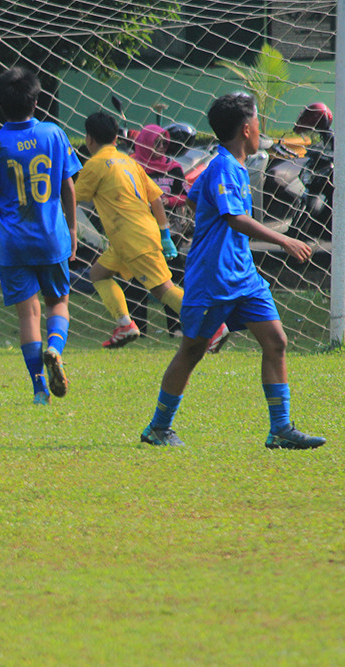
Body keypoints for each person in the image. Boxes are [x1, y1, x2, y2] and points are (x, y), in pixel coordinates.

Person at [140, 93, 325, 450]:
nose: (261, 128)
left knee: (276, 341)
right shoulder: (224, 166)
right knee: (192, 350)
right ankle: (158, 428)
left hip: (244, 276)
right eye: (257, 121)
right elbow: (233, 218)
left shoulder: (227, 165)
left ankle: (281, 429)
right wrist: (285, 241)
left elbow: (196, 198)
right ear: (245, 128)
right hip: (213, 278)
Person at [0, 66, 80, 405]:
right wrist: (73, 228)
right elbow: (67, 186)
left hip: (14, 243)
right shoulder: (54, 134)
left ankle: (39, 390)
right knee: (58, 303)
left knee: (27, 314)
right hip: (51, 237)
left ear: (0, 104)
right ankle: (55, 349)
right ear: (36, 101)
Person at [74, 112, 228, 351]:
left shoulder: (94, 165)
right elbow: (156, 196)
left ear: (89, 139)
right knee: (98, 274)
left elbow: (72, 198)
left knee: (163, 289)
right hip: (136, 234)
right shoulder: (129, 161)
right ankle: (125, 324)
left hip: (131, 237)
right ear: (116, 138)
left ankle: (213, 325)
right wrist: (164, 234)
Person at [130, 123, 189, 336]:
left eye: (164, 143)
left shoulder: (173, 168)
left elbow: (186, 196)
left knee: (173, 279)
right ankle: (138, 329)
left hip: (170, 235)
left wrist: (169, 201)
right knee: (137, 281)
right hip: (141, 234)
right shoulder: (133, 166)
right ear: (145, 144)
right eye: (156, 144)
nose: (161, 148)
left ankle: (176, 328)